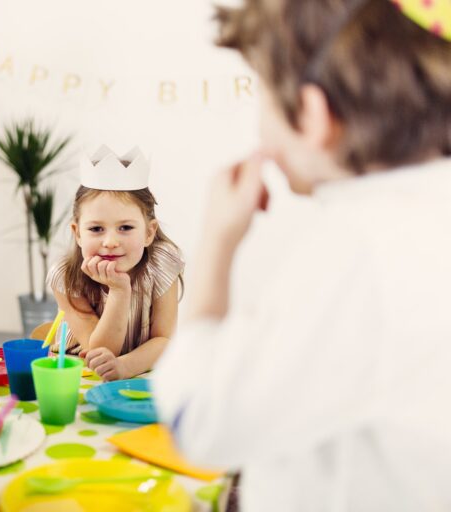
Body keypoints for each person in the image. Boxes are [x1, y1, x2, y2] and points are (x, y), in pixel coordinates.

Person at [152, 0, 451, 510]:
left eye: (261, 97)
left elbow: (197, 419)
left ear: (313, 116)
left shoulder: (358, 252)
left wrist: (217, 243)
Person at [47, 146, 184, 381]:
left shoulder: (162, 264)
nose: (110, 242)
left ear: (149, 232)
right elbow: (102, 351)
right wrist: (120, 291)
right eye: (96, 229)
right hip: (80, 372)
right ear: (78, 233)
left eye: (126, 228)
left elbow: (163, 340)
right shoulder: (65, 277)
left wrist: (125, 367)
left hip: (137, 371)